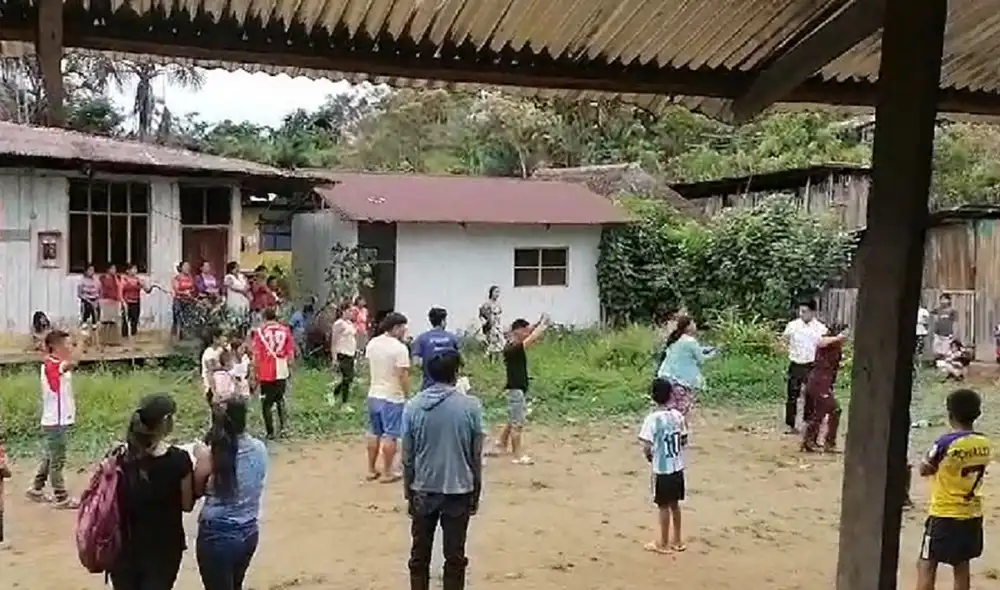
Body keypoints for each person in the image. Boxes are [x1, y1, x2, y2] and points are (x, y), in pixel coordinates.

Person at [401, 350, 484, 590]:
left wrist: (409, 492)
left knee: (419, 556)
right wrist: (476, 491)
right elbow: (475, 455)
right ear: (455, 374)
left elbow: (408, 456)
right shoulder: (471, 407)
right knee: (455, 556)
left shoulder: (413, 407)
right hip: (459, 490)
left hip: (423, 490)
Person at [110, 394, 194, 590]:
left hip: (123, 549)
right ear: (166, 421)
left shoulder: (118, 457)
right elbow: (187, 505)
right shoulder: (178, 460)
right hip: (163, 549)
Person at [915, 389, 991, 590]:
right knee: (961, 566)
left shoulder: (945, 442)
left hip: (944, 513)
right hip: (972, 514)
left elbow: (924, 469)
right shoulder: (985, 443)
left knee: (927, 565)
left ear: (950, 414)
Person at [193, 399, 268, 590]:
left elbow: (196, 491)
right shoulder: (259, 448)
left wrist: (201, 456)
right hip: (249, 530)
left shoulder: (211, 456)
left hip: (217, 534)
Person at [26, 330, 79, 508]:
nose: (70, 348)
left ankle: (36, 489)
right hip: (55, 421)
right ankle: (61, 497)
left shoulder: (54, 363)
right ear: (57, 347)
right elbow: (73, 363)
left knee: (51, 457)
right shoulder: (51, 365)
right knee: (58, 460)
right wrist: (84, 340)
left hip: (57, 419)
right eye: (68, 344)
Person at [638, 378, 689, 554]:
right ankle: (678, 540)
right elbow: (683, 439)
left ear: (653, 397)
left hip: (662, 469)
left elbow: (646, 445)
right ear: (670, 395)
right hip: (677, 467)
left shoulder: (652, 419)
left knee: (663, 505)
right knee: (675, 504)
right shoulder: (678, 416)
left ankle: (663, 543)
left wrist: (649, 456)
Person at [492, 315, 548, 465]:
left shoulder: (511, 345)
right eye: (525, 331)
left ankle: (501, 443)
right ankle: (518, 455)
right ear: (518, 331)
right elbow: (532, 339)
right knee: (517, 424)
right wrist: (542, 327)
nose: (527, 334)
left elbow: (530, 333)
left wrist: (537, 324)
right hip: (516, 390)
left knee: (512, 419)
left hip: (516, 389)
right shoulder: (513, 348)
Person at [365, 312, 411, 482]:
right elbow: (402, 375)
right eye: (403, 328)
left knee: (374, 432)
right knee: (391, 435)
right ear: (396, 327)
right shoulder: (400, 349)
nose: (404, 331)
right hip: (393, 395)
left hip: (374, 393)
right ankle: (387, 472)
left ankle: (371, 469)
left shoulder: (373, 343)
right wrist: (407, 395)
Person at [781, 300, 828, 434]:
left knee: (810, 395)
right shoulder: (793, 326)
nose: (802, 314)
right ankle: (790, 424)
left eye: (805, 311)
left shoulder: (820, 328)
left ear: (813, 312)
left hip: (811, 365)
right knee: (792, 395)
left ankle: (808, 423)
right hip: (796, 363)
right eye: (800, 311)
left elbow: (824, 345)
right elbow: (784, 340)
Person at [800, 326, 849, 453]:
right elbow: (821, 342)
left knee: (823, 411)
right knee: (832, 409)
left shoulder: (836, 347)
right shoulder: (827, 342)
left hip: (823, 383)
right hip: (818, 382)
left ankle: (816, 442)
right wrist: (838, 337)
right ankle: (815, 442)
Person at [656, 316, 716, 416]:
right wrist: (712, 354)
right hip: (679, 381)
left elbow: (685, 352)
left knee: (667, 410)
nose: (695, 325)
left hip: (664, 377)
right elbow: (701, 360)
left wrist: (702, 350)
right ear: (688, 326)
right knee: (680, 412)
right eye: (693, 323)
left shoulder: (675, 338)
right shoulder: (690, 341)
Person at [251, 308, 294, 440]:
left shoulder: (260, 332)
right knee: (280, 399)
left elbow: (256, 355)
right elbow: (290, 354)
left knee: (266, 403)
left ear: (264, 318)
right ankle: (284, 428)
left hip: (266, 371)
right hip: (281, 369)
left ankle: (270, 432)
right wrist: (289, 369)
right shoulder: (285, 330)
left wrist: (254, 372)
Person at [411, 307, 460, 391]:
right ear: (443, 321)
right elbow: (459, 360)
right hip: (449, 387)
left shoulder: (422, 338)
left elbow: (416, 362)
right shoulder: (452, 338)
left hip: (428, 386)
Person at [120, 262, 160, 343]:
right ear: (128, 271)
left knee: (134, 321)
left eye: (136, 269)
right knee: (125, 321)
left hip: (136, 302)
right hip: (127, 303)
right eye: (133, 269)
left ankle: (133, 339)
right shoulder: (124, 279)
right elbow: (120, 292)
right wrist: (123, 302)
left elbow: (147, 290)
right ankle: (125, 340)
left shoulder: (138, 280)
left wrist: (151, 286)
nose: (135, 271)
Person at [330, 302, 358, 407]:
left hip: (350, 353)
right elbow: (334, 341)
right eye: (349, 311)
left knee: (349, 378)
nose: (351, 313)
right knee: (347, 377)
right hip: (342, 353)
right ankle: (344, 402)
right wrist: (334, 357)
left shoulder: (350, 323)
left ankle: (335, 393)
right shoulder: (339, 324)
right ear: (343, 311)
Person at [201, 327, 228, 401]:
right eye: (223, 336)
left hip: (223, 385)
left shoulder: (221, 350)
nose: (225, 338)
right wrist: (214, 391)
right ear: (215, 339)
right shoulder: (209, 353)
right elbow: (210, 372)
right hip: (212, 387)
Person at [223, 262, 251, 333]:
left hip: (243, 299)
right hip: (234, 299)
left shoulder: (241, 276)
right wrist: (243, 290)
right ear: (231, 269)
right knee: (234, 318)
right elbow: (233, 286)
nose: (238, 269)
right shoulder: (228, 277)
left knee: (244, 317)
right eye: (236, 267)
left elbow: (247, 284)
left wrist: (245, 289)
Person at [171, 262, 197, 341]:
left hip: (188, 301)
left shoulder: (190, 277)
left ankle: (183, 338)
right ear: (181, 268)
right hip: (178, 300)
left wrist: (190, 292)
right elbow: (176, 290)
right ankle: (173, 339)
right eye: (185, 266)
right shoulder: (177, 278)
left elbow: (193, 288)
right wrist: (184, 292)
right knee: (177, 320)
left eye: (188, 266)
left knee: (186, 320)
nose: (187, 268)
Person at [478, 286, 504, 360]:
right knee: (492, 343)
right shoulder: (487, 304)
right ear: (491, 293)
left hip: (497, 325)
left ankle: (495, 361)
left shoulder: (498, 304)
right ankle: (487, 359)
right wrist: (486, 321)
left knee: (499, 344)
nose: (497, 294)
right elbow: (481, 314)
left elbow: (499, 314)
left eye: (498, 292)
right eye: (495, 292)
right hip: (490, 326)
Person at [932, 293, 957, 359]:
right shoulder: (937, 310)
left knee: (945, 352)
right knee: (936, 351)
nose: (943, 301)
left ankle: (944, 365)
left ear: (949, 300)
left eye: (945, 299)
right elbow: (933, 319)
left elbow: (955, 322)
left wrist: (954, 333)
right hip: (937, 333)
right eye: (941, 299)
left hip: (947, 334)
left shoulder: (952, 311)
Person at [77, 263, 101, 330]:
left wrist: (96, 300)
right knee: (87, 307)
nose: (92, 272)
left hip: (95, 299)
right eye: (90, 270)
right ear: (86, 271)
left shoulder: (97, 280)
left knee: (96, 309)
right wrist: (89, 301)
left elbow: (99, 291)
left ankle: (95, 323)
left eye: (93, 270)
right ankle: (84, 322)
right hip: (86, 300)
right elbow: (79, 294)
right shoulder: (82, 280)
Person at [229, 335, 253, 399]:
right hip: (234, 388)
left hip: (244, 387)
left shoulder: (245, 358)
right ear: (234, 350)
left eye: (244, 348)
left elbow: (248, 372)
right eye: (241, 348)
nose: (243, 350)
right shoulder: (230, 361)